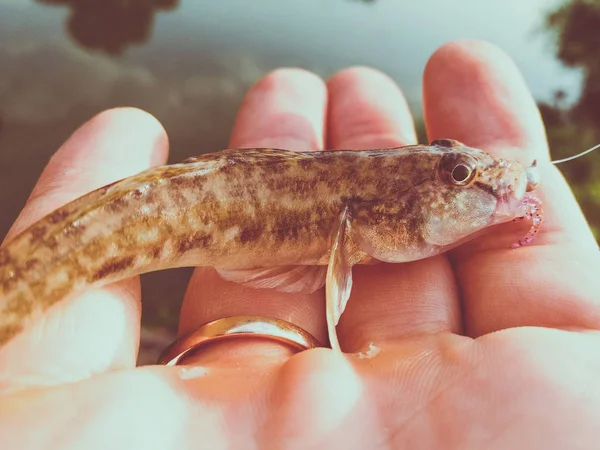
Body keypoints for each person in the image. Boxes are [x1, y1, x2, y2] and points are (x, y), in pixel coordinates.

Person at [1, 39, 599, 449]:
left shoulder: (372, 211)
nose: (477, 178)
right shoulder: (367, 214)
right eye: (457, 174)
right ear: (376, 213)